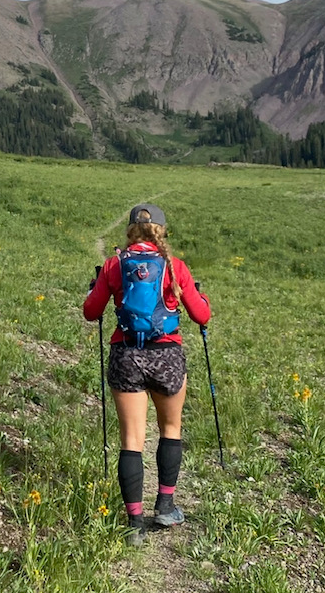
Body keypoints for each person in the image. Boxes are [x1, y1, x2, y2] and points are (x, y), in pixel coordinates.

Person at [83, 203, 211, 546]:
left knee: (131, 440)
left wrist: (96, 287)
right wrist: (202, 297)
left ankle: (135, 524)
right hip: (166, 356)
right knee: (170, 430)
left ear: (130, 231)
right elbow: (201, 316)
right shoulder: (174, 266)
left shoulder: (114, 265)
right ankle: (166, 505)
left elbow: (91, 311)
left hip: (126, 356)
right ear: (161, 231)